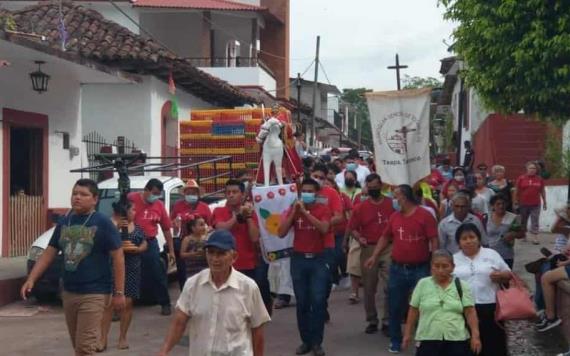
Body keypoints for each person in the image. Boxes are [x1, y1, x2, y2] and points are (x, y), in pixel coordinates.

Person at [21, 179, 126, 355]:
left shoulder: (102, 223)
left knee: (85, 347)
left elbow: (118, 257)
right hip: (69, 292)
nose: (77, 197)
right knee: (78, 345)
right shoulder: (65, 222)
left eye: (83, 194)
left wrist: (119, 293)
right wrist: (31, 278)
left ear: (95, 199)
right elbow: (49, 252)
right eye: (75, 193)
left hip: (95, 292)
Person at [158, 230, 271, 356]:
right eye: (210, 253)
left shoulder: (248, 288)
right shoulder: (193, 285)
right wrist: (164, 351)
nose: (214, 259)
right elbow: (179, 322)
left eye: (221, 253)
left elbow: (258, 332)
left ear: (234, 257)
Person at [364, 184, 439, 353]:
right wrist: (374, 256)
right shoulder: (394, 217)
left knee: (423, 305)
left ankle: (423, 339)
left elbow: (433, 240)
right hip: (397, 268)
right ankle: (396, 340)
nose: (393, 199)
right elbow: (385, 237)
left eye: (395, 196)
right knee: (394, 305)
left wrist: (435, 263)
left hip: (420, 268)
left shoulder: (425, 216)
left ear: (404, 197)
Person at [277, 178, 331, 356]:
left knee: (317, 301)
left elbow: (324, 228)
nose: (306, 194)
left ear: (316, 193)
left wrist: (306, 213)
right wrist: (294, 212)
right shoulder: (295, 210)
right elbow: (281, 232)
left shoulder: (323, 209)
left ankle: (317, 342)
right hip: (299, 260)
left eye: (310, 191)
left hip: (318, 260)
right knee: (302, 302)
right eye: (304, 191)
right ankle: (305, 341)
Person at [402, 249, 481, 356]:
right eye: (436, 266)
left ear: (452, 267)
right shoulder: (422, 284)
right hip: (428, 337)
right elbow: (413, 310)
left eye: (445, 266)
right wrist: (407, 333)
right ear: (431, 267)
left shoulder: (462, 285)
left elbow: (470, 312)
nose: (440, 270)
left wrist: (475, 336)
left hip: (457, 338)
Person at [453, 223, 512, 356]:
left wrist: (501, 276)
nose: (468, 241)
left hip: (491, 308)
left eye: (472, 237)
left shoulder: (491, 254)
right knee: (468, 347)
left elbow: (508, 273)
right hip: (463, 309)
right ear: (459, 242)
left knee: (493, 346)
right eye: (464, 238)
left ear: (478, 239)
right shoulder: (454, 259)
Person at [348, 173, 395, 334]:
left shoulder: (391, 204)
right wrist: (359, 237)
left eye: (376, 186)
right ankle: (372, 319)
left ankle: (388, 320)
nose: (374, 189)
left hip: (388, 247)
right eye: (371, 187)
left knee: (390, 285)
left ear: (381, 186)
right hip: (368, 248)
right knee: (369, 287)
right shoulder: (360, 207)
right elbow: (353, 228)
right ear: (367, 187)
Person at [100, 201, 147, 351]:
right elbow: (103, 244)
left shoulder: (137, 227)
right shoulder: (111, 225)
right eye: (132, 209)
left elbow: (145, 242)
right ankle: (102, 338)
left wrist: (139, 249)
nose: (135, 212)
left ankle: (123, 337)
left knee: (127, 304)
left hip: (132, 267)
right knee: (108, 305)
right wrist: (118, 228)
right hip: (112, 268)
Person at [129, 178, 175, 315]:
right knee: (125, 272)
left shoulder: (159, 205)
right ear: (146, 190)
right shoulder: (131, 198)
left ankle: (165, 303)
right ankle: (121, 306)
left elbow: (166, 229)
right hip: (130, 240)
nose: (155, 196)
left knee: (157, 272)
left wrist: (171, 250)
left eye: (158, 194)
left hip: (150, 241)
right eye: (154, 193)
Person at [311, 164, 344, 323]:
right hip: (305, 246)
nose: (317, 179)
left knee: (324, 281)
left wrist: (324, 224)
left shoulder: (331, 194)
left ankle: (321, 305)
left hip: (326, 244)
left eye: (321, 177)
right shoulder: (302, 193)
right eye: (314, 176)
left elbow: (339, 216)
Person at [211, 179, 260, 279]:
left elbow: (255, 238)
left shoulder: (251, 212)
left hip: (247, 265)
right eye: (228, 192)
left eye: (235, 192)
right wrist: (237, 216)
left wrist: (249, 216)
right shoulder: (219, 210)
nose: (231, 195)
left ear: (242, 195)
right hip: (224, 265)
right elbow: (221, 229)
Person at [170, 179, 212, 291]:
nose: (191, 195)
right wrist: (175, 223)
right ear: (184, 194)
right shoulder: (178, 206)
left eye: (193, 193)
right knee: (183, 272)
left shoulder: (204, 207)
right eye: (188, 193)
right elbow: (171, 221)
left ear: (198, 194)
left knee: (202, 270)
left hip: (200, 241)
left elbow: (211, 225)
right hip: (183, 240)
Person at [341, 170, 362, 303]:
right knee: (354, 265)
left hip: (377, 239)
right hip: (358, 236)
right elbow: (352, 221)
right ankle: (354, 292)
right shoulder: (356, 200)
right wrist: (351, 237)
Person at [486, 194, 524, 268]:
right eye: (498, 204)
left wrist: (513, 234)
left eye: (503, 203)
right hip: (489, 255)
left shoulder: (513, 217)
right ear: (492, 206)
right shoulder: (486, 217)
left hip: (506, 256)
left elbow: (522, 234)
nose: (501, 206)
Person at [514, 161, 547, 244]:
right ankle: (524, 235)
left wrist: (545, 201)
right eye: (530, 168)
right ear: (527, 169)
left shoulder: (539, 179)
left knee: (535, 219)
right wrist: (515, 201)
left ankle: (535, 237)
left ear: (536, 170)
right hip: (523, 203)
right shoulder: (521, 178)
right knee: (523, 220)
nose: (532, 170)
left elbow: (542, 191)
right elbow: (516, 190)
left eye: (534, 168)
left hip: (536, 204)